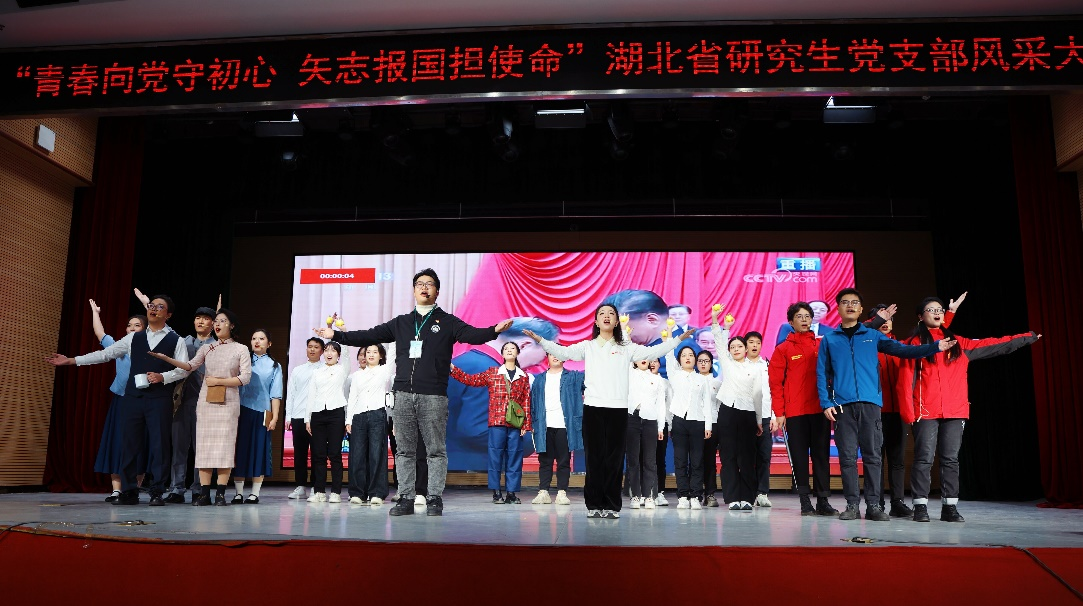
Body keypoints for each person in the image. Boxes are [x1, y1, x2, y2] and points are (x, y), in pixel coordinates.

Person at [316, 268, 513, 517]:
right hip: (403, 395)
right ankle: (406, 497)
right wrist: (336, 335)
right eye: (420, 283)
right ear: (413, 290)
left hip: (433, 395)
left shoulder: (447, 321)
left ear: (437, 291)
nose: (424, 287)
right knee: (404, 451)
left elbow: (473, 335)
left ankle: (434, 498)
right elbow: (369, 335)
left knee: (435, 450)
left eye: (429, 284)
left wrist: (494, 330)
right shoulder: (401, 323)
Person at [524, 304, 691, 519]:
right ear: (595, 321)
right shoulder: (588, 346)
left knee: (614, 459)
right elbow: (563, 352)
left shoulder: (626, 347)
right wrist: (541, 340)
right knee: (594, 459)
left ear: (616, 321)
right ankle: (594, 504)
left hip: (618, 409)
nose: (606, 316)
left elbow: (653, 352)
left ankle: (611, 505)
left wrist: (677, 340)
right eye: (602, 313)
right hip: (593, 408)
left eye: (611, 313)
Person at [897, 297, 1040, 523]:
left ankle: (950, 507)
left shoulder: (959, 343)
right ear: (920, 316)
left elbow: (994, 344)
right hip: (925, 410)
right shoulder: (913, 345)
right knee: (924, 458)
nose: (936, 312)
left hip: (955, 410)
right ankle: (920, 506)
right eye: (930, 310)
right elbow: (905, 382)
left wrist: (1026, 338)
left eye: (939, 309)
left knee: (950, 459)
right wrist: (909, 412)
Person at [817, 288, 954, 521]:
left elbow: (904, 351)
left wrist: (934, 347)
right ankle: (852, 505)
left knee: (873, 457)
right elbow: (822, 373)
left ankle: (874, 506)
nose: (850, 306)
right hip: (842, 406)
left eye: (854, 302)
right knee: (848, 458)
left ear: (860, 309)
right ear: (838, 308)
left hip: (871, 405)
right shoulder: (830, 339)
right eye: (845, 302)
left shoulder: (872, 336)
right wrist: (826, 402)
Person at [48, 295, 190, 506]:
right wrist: (72, 360)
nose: (153, 309)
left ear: (168, 315)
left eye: (160, 307)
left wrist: (163, 377)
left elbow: (184, 369)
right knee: (129, 444)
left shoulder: (175, 340)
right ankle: (129, 491)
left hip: (159, 398)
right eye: (151, 305)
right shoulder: (133, 338)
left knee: (159, 445)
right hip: (132, 397)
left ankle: (157, 491)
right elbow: (106, 354)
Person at [869, 294, 963, 516]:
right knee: (875, 460)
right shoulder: (867, 346)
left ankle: (897, 503)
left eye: (889, 319)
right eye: (881, 319)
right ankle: (877, 504)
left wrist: (948, 314)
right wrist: (874, 321)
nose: (885, 323)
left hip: (898, 411)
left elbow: (933, 334)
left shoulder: (901, 346)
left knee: (897, 461)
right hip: (875, 411)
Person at [146, 308, 251, 506]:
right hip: (206, 403)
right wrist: (166, 358)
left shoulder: (241, 349)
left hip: (228, 402)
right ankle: (204, 494)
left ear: (232, 325)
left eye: (222, 321)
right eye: (216, 321)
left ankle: (220, 494)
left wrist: (219, 381)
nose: (218, 324)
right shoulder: (207, 348)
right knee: (203, 447)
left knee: (225, 447)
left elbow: (245, 377)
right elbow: (189, 366)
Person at [446, 317, 557, 472]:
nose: (539, 364)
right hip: (471, 471)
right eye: (544, 356)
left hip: (455, 464)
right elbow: (477, 431)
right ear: (525, 345)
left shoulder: (467, 361)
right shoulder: (493, 372)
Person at [450, 342, 532, 504]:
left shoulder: (523, 376)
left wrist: (526, 424)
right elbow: (471, 380)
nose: (509, 350)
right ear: (502, 354)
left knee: (515, 457)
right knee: (495, 457)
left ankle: (511, 493)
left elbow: (526, 401)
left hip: (515, 423)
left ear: (517, 353)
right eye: (506, 349)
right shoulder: (493, 372)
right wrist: (453, 369)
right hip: (496, 422)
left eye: (512, 349)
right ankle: (496, 492)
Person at [711, 310, 772, 511]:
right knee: (728, 456)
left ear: (746, 349)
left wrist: (758, 420)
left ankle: (747, 498)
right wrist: (719, 322)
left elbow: (757, 395)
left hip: (748, 413)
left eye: (739, 346)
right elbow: (719, 341)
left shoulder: (756, 368)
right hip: (727, 411)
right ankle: (732, 498)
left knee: (747, 457)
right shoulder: (727, 363)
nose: (736, 349)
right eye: (732, 347)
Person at [87, 299, 148, 502]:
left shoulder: (151, 349)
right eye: (129, 325)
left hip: (141, 402)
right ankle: (116, 490)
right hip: (121, 402)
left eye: (137, 325)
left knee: (138, 444)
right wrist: (96, 313)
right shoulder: (118, 348)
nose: (131, 328)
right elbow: (100, 334)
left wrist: (148, 306)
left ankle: (134, 488)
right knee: (117, 443)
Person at [163, 305, 217, 503]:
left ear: (213, 323)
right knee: (179, 447)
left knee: (201, 449)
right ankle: (176, 488)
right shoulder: (184, 342)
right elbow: (166, 330)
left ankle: (199, 488)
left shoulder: (217, 346)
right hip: (182, 402)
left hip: (206, 403)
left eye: (206, 318)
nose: (200, 321)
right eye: (197, 318)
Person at [663, 340, 715, 510]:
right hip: (679, 421)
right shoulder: (675, 375)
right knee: (680, 461)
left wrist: (708, 426)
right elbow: (668, 356)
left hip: (698, 422)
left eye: (691, 355)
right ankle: (683, 496)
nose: (687, 358)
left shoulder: (701, 379)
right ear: (679, 360)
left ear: (695, 359)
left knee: (697, 461)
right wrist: (668, 338)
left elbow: (706, 403)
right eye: (684, 355)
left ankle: (696, 496)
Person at [232, 329, 281, 504]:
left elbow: (275, 394)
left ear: (269, 343)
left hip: (263, 412)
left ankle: (254, 493)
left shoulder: (274, 366)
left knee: (260, 450)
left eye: (261, 338)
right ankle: (238, 493)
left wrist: (275, 417)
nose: (257, 341)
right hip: (241, 410)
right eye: (254, 338)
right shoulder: (243, 361)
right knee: (240, 449)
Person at [529, 353, 585, 506]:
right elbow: (533, 403)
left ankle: (562, 492)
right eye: (551, 353)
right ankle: (543, 492)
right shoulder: (539, 379)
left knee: (563, 460)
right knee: (545, 461)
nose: (555, 357)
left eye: (558, 353)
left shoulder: (574, 377)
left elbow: (591, 384)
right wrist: (532, 423)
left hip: (564, 425)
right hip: (544, 425)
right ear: (547, 357)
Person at [346, 344, 394, 505]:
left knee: (377, 455)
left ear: (381, 355)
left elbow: (393, 354)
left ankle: (377, 493)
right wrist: (348, 419)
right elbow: (353, 397)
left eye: (375, 352)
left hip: (377, 415)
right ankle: (357, 493)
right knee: (357, 455)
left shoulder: (384, 370)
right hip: (358, 416)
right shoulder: (357, 375)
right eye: (368, 352)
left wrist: (395, 337)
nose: (371, 355)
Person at [305, 341, 348, 503]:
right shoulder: (317, 372)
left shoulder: (342, 370)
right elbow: (311, 395)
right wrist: (307, 418)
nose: (329, 353)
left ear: (338, 354)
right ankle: (319, 491)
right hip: (317, 414)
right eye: (327, 350)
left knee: (335, 454)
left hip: (336, 413)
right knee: (318, 454)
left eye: (333, 350)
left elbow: (347, 356)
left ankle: (336, 492)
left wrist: (342, 333)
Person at [625, 358, 667, 508]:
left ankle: (649, 495)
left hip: (650, 420)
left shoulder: (657, 380)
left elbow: (661, 405)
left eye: (646, 357)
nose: (643, 360)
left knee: (650, 460)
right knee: (633, 460)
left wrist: (660, 427)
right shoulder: (629, 374)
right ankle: (636, 496)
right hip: (632, 418)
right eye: (640, 357)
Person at [285, 337, 323, 499]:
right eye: (310, 346)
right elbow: (291, 394)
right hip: (298, 415)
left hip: (317, 417)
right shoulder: (297, 370)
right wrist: (288, 416)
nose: (312, 349)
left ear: (322, 351)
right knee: (299, 453)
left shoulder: (325, 369)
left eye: (316, 347)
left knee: (317, 453)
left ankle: (315, 486)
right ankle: (300, 485)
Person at [744, 331, 775, 507]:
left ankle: (762, 493)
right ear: (745, 345)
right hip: (746, 416)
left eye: (757, 342)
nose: (754, 345)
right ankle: (748, 493)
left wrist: (774, 416)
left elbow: (772, 392)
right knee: (747, 457)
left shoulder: (768, 365)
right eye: (751, 342)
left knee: (764, 456)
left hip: (764, 416)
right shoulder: (740, 365)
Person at [695, 350, 723, 507]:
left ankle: (710, 494)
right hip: (695, 424)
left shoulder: (717, 383)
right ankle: (695, 493)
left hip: (713, 425)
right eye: (700, 360)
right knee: (696, 460)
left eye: (706, 361)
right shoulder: (692, 381)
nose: (703, 363)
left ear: (712, 363)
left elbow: (720, 407)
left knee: (710, 460)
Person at [651, 358, 673, 507]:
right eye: (649, 361)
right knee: (643, 459)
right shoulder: (638, 381)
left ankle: (659, 492)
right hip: (643, 423)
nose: (652, 363)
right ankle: (644, 492)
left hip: (661, 424)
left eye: (655, 361)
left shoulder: (665, 383)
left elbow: (669, 405)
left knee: (659, 459)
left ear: (660, 364)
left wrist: (669, 426)